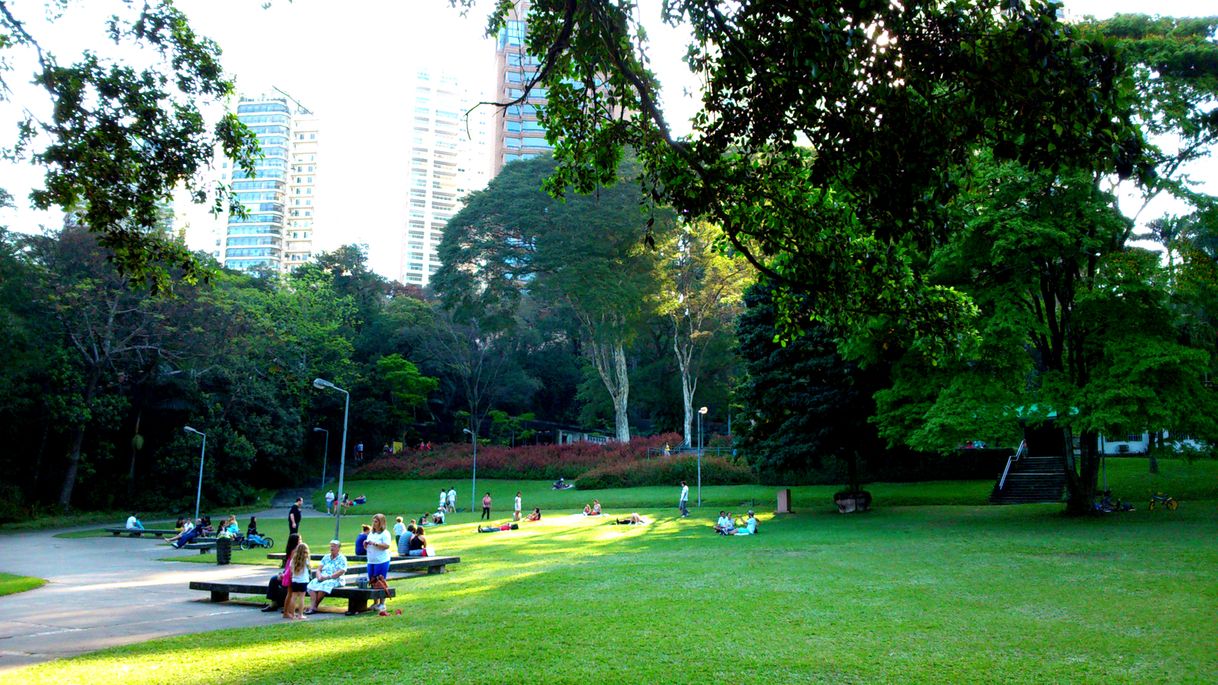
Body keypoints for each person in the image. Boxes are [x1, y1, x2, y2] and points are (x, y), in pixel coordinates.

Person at [306, 539, 348, 614]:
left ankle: (314, 606)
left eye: (334, 546)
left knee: (325, 585)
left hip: (336, 579)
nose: (332, 548)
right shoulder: (326, 557)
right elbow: (319, 569)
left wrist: (328, 577)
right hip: (323, 577)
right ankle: (313, 607)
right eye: (331, 546)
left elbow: (342, 571)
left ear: (338, 548)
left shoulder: (342, 558)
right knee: (312, 584)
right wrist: (319, 576)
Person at [262, 533, 300, 612]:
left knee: (287, 584)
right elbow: (288, 567)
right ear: (294, 542)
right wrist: (283, 574)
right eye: (299, 540)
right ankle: (274, 603)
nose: (301, 541)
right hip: (288, 574)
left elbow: (295, 568)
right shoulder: (291, 552)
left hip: (296, 575)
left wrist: (285, 575)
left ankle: (288, 606)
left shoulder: (298, 552)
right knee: (274, 579)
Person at [365, 513, 393, 614]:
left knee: (380, 581)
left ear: (381, 523)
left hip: (381, 560)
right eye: (373, 521)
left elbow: (386, 546)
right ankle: (375, 602)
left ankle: (382, 603)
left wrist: (375, 544)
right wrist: (366, 544)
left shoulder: (385, 533)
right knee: (372, 580)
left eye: (376, 521)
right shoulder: (371, 533)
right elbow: (367, 545)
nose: (374, 523)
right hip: (371, 560)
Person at [284, 542, 312, 620]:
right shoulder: (306, 560)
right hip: (303, 581)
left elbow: (291, 569)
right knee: (302, 598)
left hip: (295, 580)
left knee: (293, 597)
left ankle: (292, 614)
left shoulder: (293, 560)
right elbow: (309, 568)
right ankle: (300, 614)